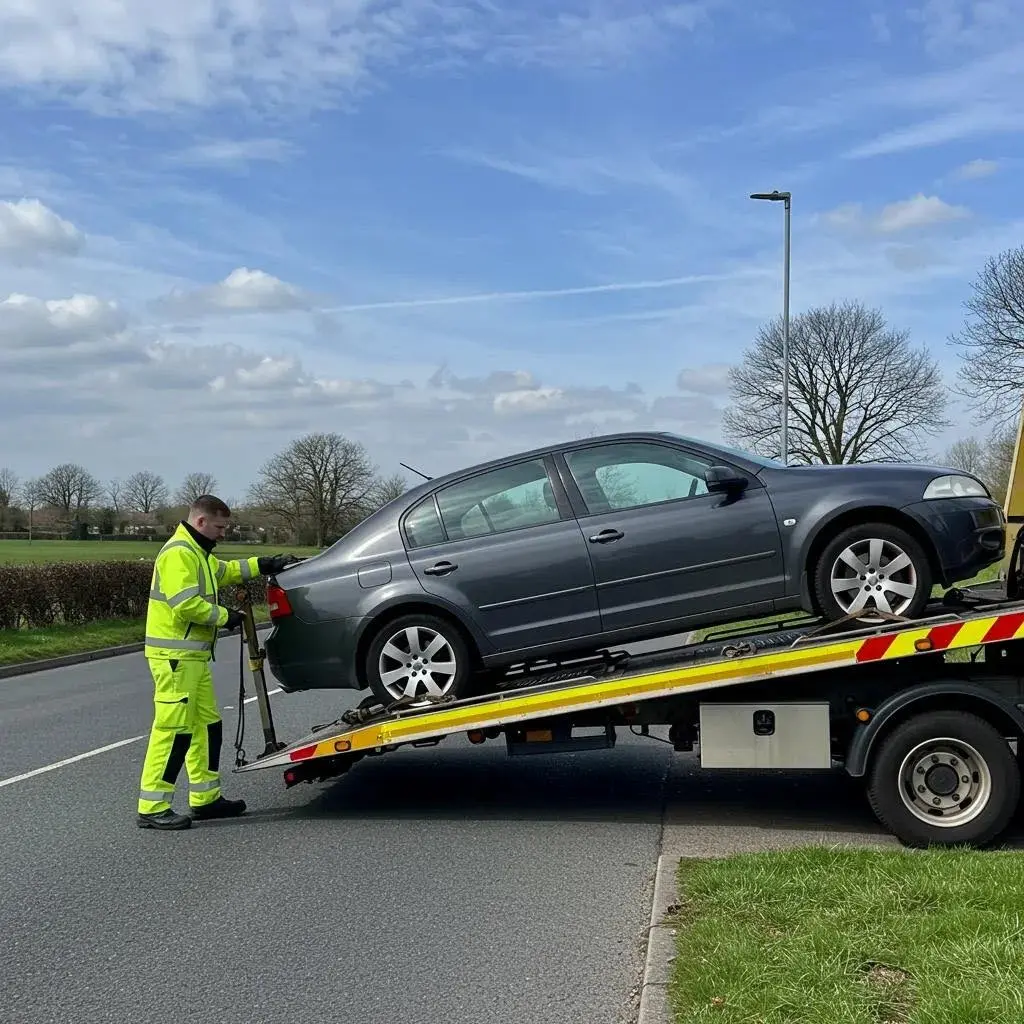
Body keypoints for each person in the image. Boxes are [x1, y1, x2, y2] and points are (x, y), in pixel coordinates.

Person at [136, 494, 296, 830]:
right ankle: (152, 807)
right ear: (201, 522)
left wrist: (263, 564)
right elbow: (186, 604)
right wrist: (226, 617)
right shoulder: (179, 553)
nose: (224, 533)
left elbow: (225, 571)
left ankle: (205, 799)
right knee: (173, 730)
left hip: (191, 657)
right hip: (174, 659)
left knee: (207, 726)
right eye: (220, 527)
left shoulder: (199, 553)